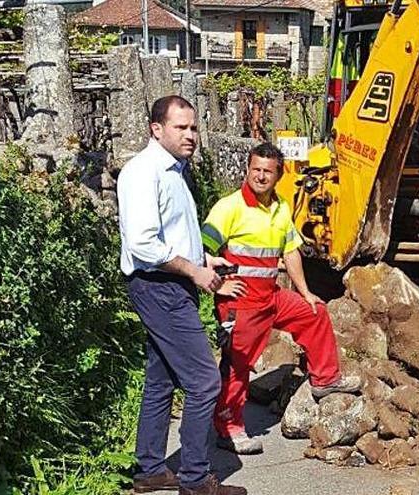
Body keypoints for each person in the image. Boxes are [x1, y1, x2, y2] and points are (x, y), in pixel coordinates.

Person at [117, 95, 245, 495]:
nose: (191, 135)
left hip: (172, 283)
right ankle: (194, 479)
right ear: (157, 129)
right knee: (205, 381)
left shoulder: (175, 170)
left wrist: (205, 257)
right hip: (159, 287)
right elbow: (143, 244)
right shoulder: (143, 172)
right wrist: (196, 272)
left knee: (162, 378)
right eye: (181, 128)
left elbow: (171, 233)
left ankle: (151, 469)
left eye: (193, 127)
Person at [201, 142, 362, 455]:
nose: (260, 176)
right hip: (242, 304)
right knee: (238, 366)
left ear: (278, 175)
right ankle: (229, 428)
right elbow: (201, 250)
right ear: (247, 170)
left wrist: (305, 292)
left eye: (267, 171)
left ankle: (325, 379)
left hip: (271, 297)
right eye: (255, 169)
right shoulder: (229, 207)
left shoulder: (281, 207)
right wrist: (216, 286)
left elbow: (290, 252)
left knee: (314, 313)